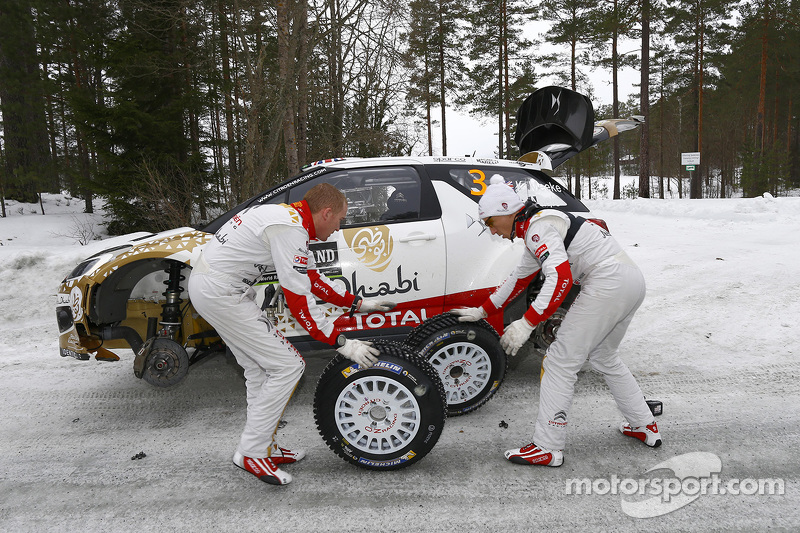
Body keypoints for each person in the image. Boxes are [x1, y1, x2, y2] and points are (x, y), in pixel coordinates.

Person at [188, 183, 395, 485]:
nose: (338, 229)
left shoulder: (290, 221)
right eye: (339, 220)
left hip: (218, 289)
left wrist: (358, 303)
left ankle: (263, 446)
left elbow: (311, 278)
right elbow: (299, 299)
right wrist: (340, 342)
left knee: (259, 369)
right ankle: (252, 452)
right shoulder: (289, 228)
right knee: (289, 366)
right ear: (326, 213)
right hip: (220, 292)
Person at [452, 175, 661, 467]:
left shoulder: (538, 228)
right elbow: (517, 280)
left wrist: (526, 323)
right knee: (604, 356)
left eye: (489, 223)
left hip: (607, 282)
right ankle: (643, 424)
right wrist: (482, 312)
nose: (492, 231)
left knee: (559, 361)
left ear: (504, 212)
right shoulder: (536, 228)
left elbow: (560, 277)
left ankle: (547, 447)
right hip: (630, 279)